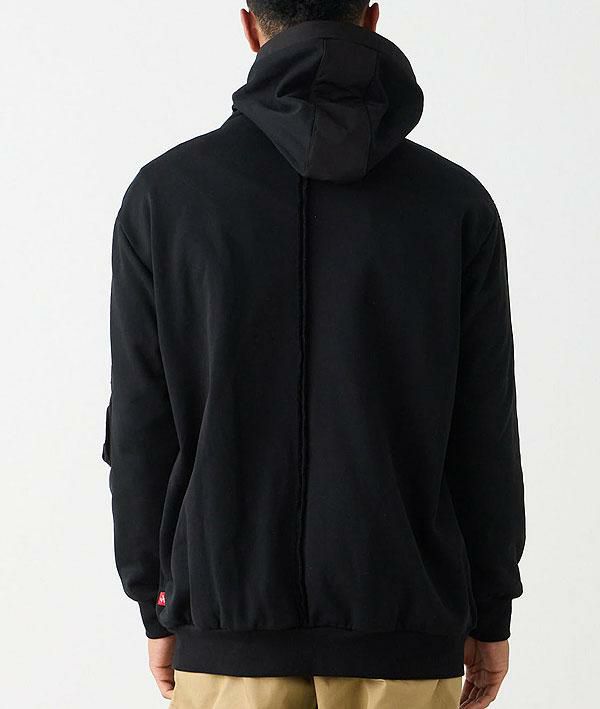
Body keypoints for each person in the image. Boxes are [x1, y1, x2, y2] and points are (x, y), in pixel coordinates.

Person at [102, 2, 526, 708]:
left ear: (249, 26)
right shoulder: (454, 203)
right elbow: (483, 435)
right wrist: (491, 610)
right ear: (372, 18)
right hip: (404, 636)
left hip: (227, 627)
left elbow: (142, 430)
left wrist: (157, 601)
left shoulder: (165, 197)